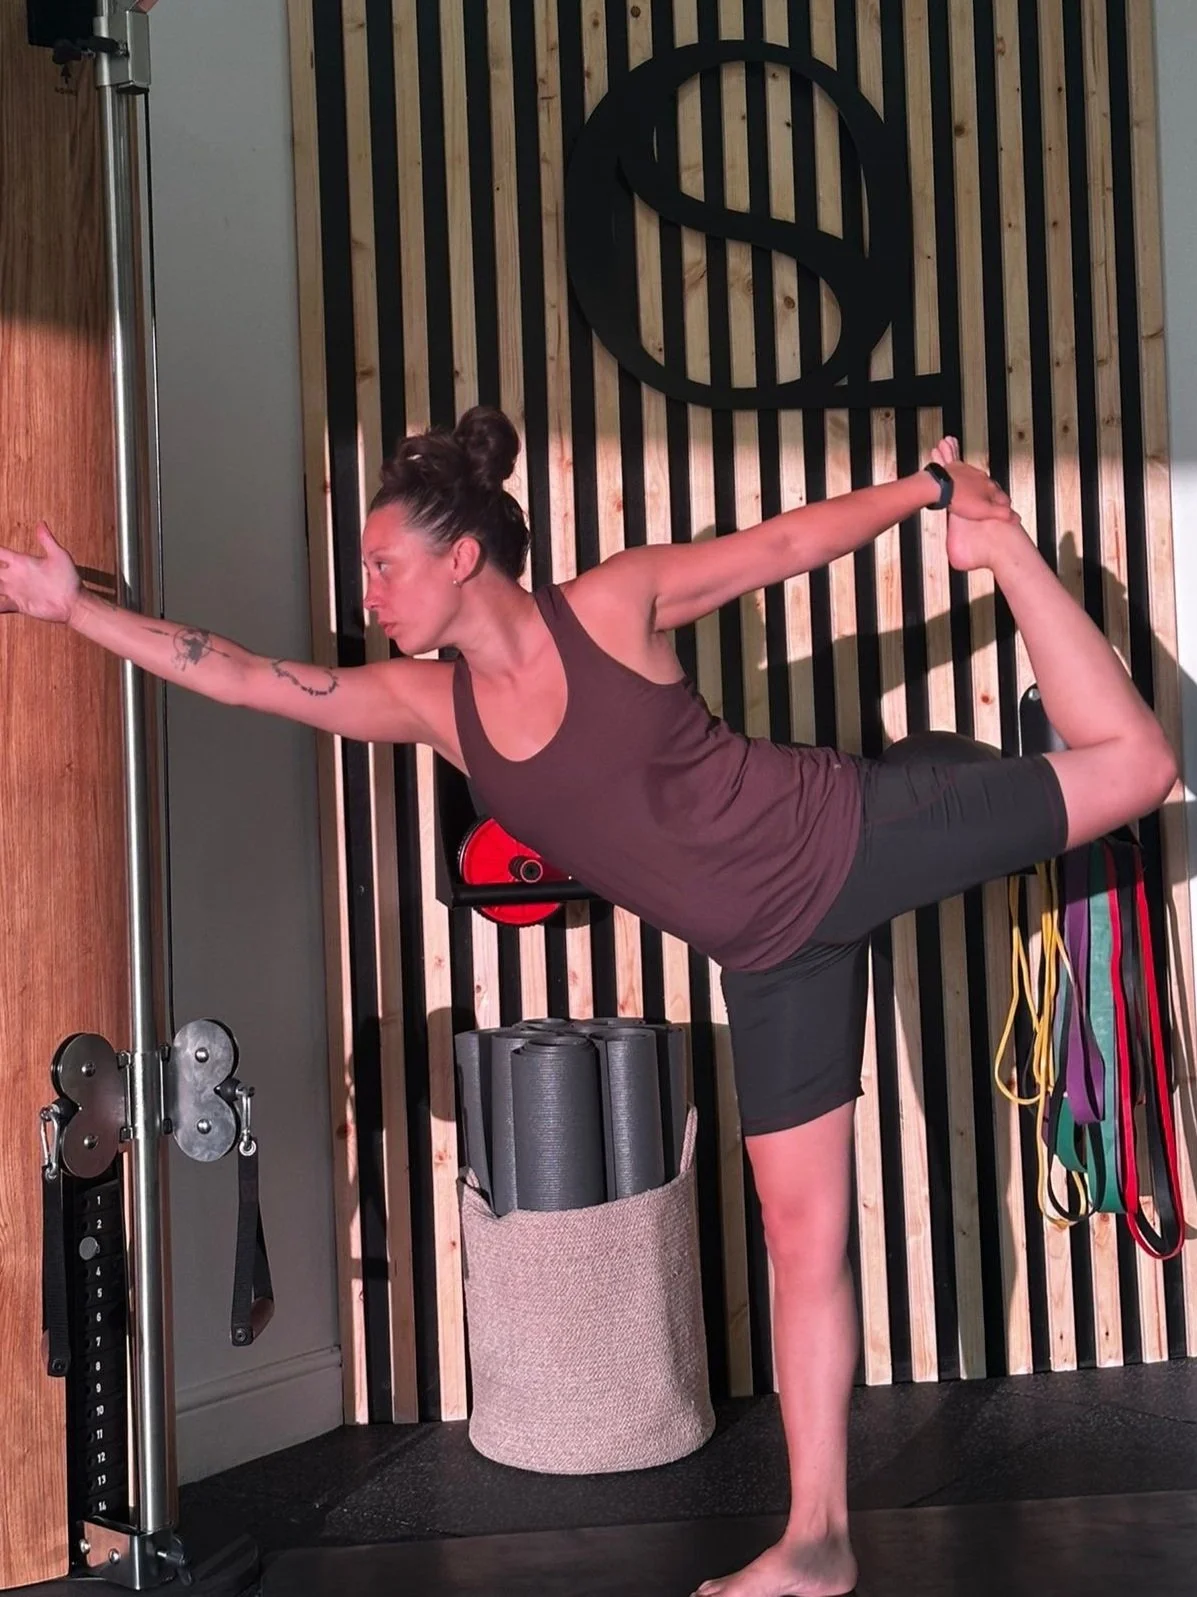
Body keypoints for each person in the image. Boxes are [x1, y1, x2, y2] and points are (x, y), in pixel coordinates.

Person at [1, 409, 1177, 1597]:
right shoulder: (434, 708)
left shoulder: (613, 604)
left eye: (383, 563)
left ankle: (1007, 546)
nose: (370, 592)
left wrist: (931, 494)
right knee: (800, 1237)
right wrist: (75, 610)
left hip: (847, 835)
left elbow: (781, 547)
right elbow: (249, 679)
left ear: (463, 557)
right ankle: (817, 1541)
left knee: (1140, 769)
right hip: (770, 961)